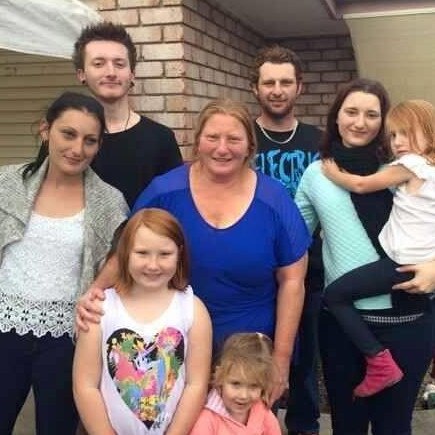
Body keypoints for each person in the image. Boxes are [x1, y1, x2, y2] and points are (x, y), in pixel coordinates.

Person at [77, 98, 311, 405]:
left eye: (234, 139)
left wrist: (280, 361)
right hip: (172, 344)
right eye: (213, 137)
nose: (222, 148)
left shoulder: (274, 199)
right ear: (197, 141)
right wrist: (95, 291)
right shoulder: (165, 192)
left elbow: (293, 281)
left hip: (246, 355)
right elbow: (128, 250)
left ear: (250, 146)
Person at [295, 78, 435, 435]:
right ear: (335, 117)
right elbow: (293, 236)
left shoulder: (405, 168)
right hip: (342, 327)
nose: (360, 122)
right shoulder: (316, 174)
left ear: (384, 123)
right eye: (351, 111)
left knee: (394, 428)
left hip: (408, 321)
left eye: (371, 114)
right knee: (347, 427)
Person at [0, 92, 128, 434]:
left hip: (67, 338)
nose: (77, 149)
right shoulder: (7, 183)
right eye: (67, 134)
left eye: (90, 141)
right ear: (46, 130)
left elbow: (119, 256)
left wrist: (95, 292)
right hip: (4, 327)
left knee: (56, 427)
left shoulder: (109, 201)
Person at [321, 99, 435, 398]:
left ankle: (378, 360)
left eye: (407, 133)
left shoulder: (411, 164)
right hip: (418, 264)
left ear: (429, 132)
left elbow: (362, 186)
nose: (398, 143)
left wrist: (333, 174)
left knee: (335, 295)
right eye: (394, 135)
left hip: (400, 264)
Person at [73, 208, 212, 435]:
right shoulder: (100, 309)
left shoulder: (192, 309)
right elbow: (85, 385)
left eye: (164, 254)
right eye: (142, 253)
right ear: (125, 253)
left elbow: (196, 384)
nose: (153, 265)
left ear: (179, 253)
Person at [251, 44, 322, 435]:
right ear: (256, 88)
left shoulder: (318, 140)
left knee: (303, 363)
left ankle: (304, 427)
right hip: (256, 271)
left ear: (299, 88)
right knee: (255, 361)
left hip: (309, 270)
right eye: (269, 83)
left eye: (285, 82)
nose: (277, 90)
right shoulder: (243, 137)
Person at [73, 21, 182, 207]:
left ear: (132, 74)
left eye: (119, 64)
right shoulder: (65, 137)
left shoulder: (161, 138)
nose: (111, 72)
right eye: (99, 63)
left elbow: (176, 204)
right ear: (81, 74)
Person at [189, 332, 281, 434]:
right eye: (236, 384)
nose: (244, 395)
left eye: (254, 386)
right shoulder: (207, 420)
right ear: (220, 377)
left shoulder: (262, 412)